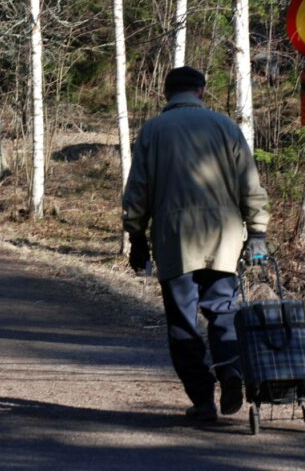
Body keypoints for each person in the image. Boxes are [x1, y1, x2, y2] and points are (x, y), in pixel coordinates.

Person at [122, 66, 269, 421]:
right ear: (201, 91)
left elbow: (138, 189)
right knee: (222, 311)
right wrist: (258, 231)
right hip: (225, 237)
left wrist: (136, 234)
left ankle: (203, 399)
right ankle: (230, 370)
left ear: (166, 94)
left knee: (183, 321)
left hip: (175, 240)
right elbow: (250, 183)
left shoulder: (153, 130)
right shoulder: (225, 127)